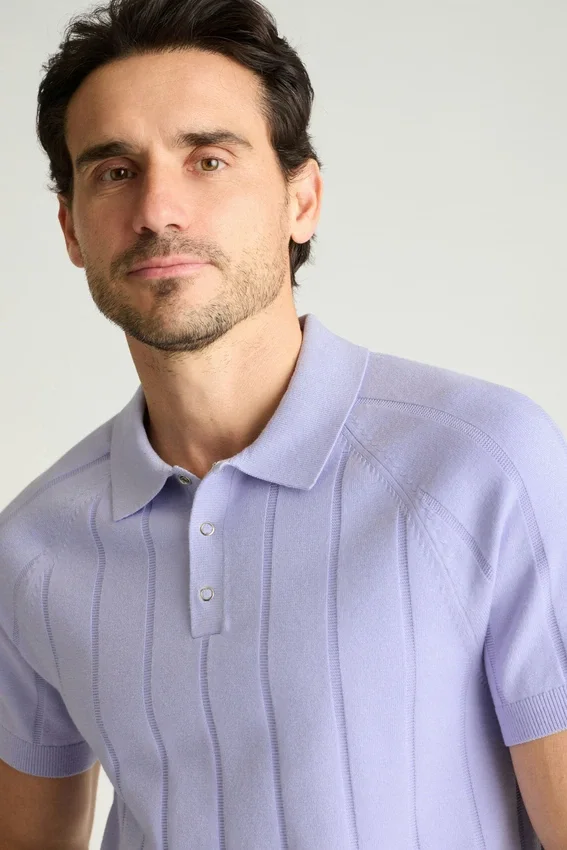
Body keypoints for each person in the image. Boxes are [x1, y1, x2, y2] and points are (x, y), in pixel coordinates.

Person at [1, 0, 566, 847]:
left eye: (208, 160)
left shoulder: (485, 463)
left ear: (302, 200)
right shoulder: (31, 547)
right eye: (114, 171)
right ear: (70, 229)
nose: (158, 209)